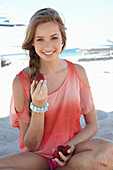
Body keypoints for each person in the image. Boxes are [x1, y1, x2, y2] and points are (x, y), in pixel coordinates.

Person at [0, 8, 99, 170]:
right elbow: (31, 145)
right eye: (40, 39)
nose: (48, 46)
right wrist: (38, 107)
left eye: (54, 38)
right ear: (32, 41)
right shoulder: (20, 82)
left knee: (108, 151)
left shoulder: (78, 72)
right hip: (38, 158)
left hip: (72, 152)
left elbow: (93, 125)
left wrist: (68, 148)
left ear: (62, 39)